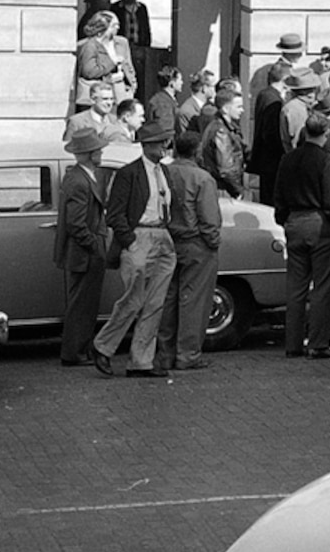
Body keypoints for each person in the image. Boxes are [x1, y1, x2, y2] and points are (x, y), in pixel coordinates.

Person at [92, 124, 181, 379]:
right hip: (140, 235)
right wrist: (129, 240)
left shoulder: (164, 171)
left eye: (166, 143)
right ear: (146, 145)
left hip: (162, 235)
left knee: (155, 302)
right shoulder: (129, 173)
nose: (165, 148)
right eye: (160, 143)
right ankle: (103, 346)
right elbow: (115, 212)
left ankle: (141, 361)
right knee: (134, 298)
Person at [274, 112, 330, 359]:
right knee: (323, 286)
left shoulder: (288, 158)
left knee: (295, 286)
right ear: (326, 134)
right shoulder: (326, 160)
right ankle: (318, 342)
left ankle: (292, 344)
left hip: (293, 221)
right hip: (319, 223)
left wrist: (284, 218)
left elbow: (278, 192)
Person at [163, 126, 227, 371]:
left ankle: (165, 351)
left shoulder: (164, 173)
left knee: (169, 298)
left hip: (169, 240)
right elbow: (209, 218)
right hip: (195, 242)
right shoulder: (202, 178)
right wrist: (213, 241)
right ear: (197, 151)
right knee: (193, 300)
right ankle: (188, 354)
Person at [52, 124, 111, 366]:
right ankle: (75, 352)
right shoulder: (80, 181)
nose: (101, 153)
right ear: (89, 154)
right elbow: (76, 225)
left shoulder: (80, 177)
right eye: (98, 150)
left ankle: (78, 350)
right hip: (85, 253)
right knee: (82, 305)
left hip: (84, 252)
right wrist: (95, 246)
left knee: (83, 304)